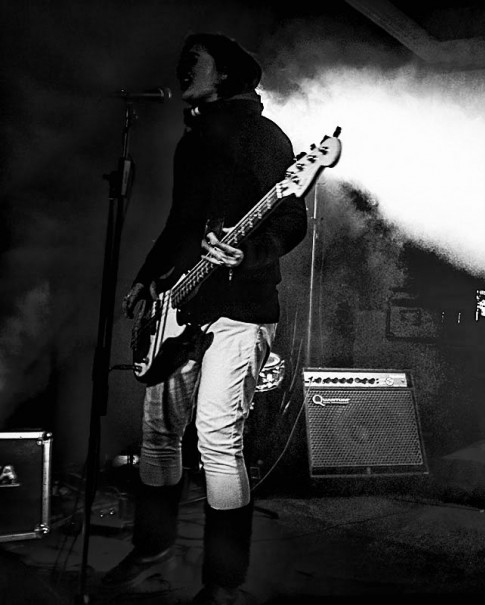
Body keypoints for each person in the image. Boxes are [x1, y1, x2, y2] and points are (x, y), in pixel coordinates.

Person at [102, 32, 306, 605]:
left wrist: (250, 253)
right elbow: (180, 223)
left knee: (217, 441)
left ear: (225, 75)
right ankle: (151, 550)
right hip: (181, 303)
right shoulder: (191, 142)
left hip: (241, 311)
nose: (183, 66)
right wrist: (147, 276)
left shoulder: (264, 136)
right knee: (159, 436)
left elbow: (291, 219)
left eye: (196, 60)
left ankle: (223, 583)